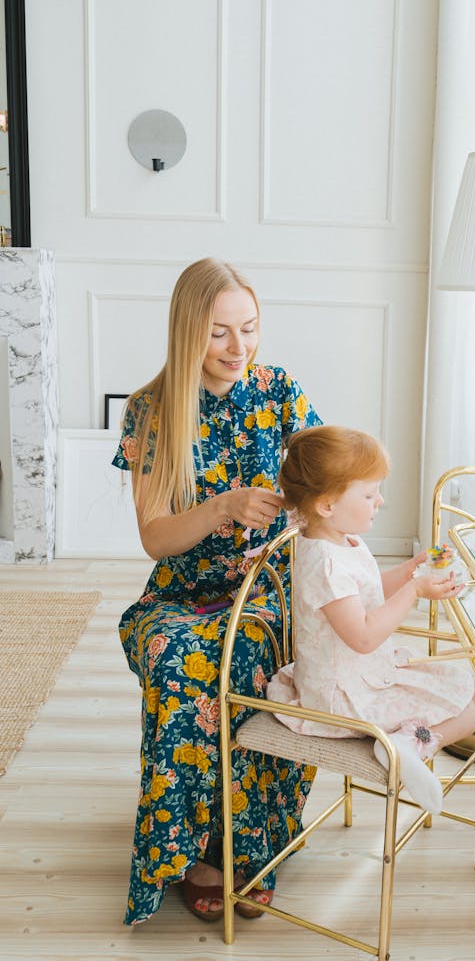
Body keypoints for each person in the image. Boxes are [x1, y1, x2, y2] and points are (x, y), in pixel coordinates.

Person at [112, 257, 321, 924]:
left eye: (249, 329)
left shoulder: (279, 391)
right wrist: (222, 507)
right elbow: (154, 537)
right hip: (181, 587)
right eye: (220, 333)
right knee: (177, 657)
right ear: (187, 332)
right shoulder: (151, 409)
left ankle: (242, 841)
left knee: (247, 654)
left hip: (263, 582)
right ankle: (186, 844)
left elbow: (324, 487)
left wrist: (294, 512)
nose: (239, 348)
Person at [266, 426, 475, 814]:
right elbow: (362, 636)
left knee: (470, 682)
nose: (381, 501)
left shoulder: (340, 541)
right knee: (467, 709)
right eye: (369, 494)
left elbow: (368, 589)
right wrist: (414, 591)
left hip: (363, 674)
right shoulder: (324, 563)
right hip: (341, 696)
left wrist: (413, 570)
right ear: (327, 505)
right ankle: (410, 744)